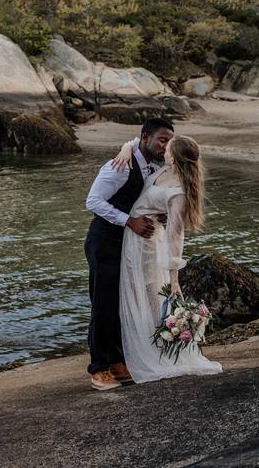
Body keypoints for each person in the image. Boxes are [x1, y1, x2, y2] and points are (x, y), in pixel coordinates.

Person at [113, 134, 222, 383]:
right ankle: (144, 349)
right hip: (134, 240)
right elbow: (134, 143)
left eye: (169, 147)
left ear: (175, 157)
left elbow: (176, 237)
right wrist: (126, 149)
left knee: (149, 297)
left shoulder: (179, 192)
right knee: (135, 295)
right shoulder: (163, 171)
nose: (164, 149)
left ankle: (154, 353)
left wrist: (175, 279)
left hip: (149, 245)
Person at [84, 118, 174, 391]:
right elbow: (93, 201)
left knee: (120, 304)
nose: (165, 145)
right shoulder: (120, 166)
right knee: (103, 305)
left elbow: (138, 200)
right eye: (162, 139)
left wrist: (156, 215)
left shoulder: (149, 166)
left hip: (125, 246)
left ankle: (117, 362)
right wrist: (129, 221)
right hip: (104, 242)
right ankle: (99, 368)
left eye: (169, 141)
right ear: (145, 137)